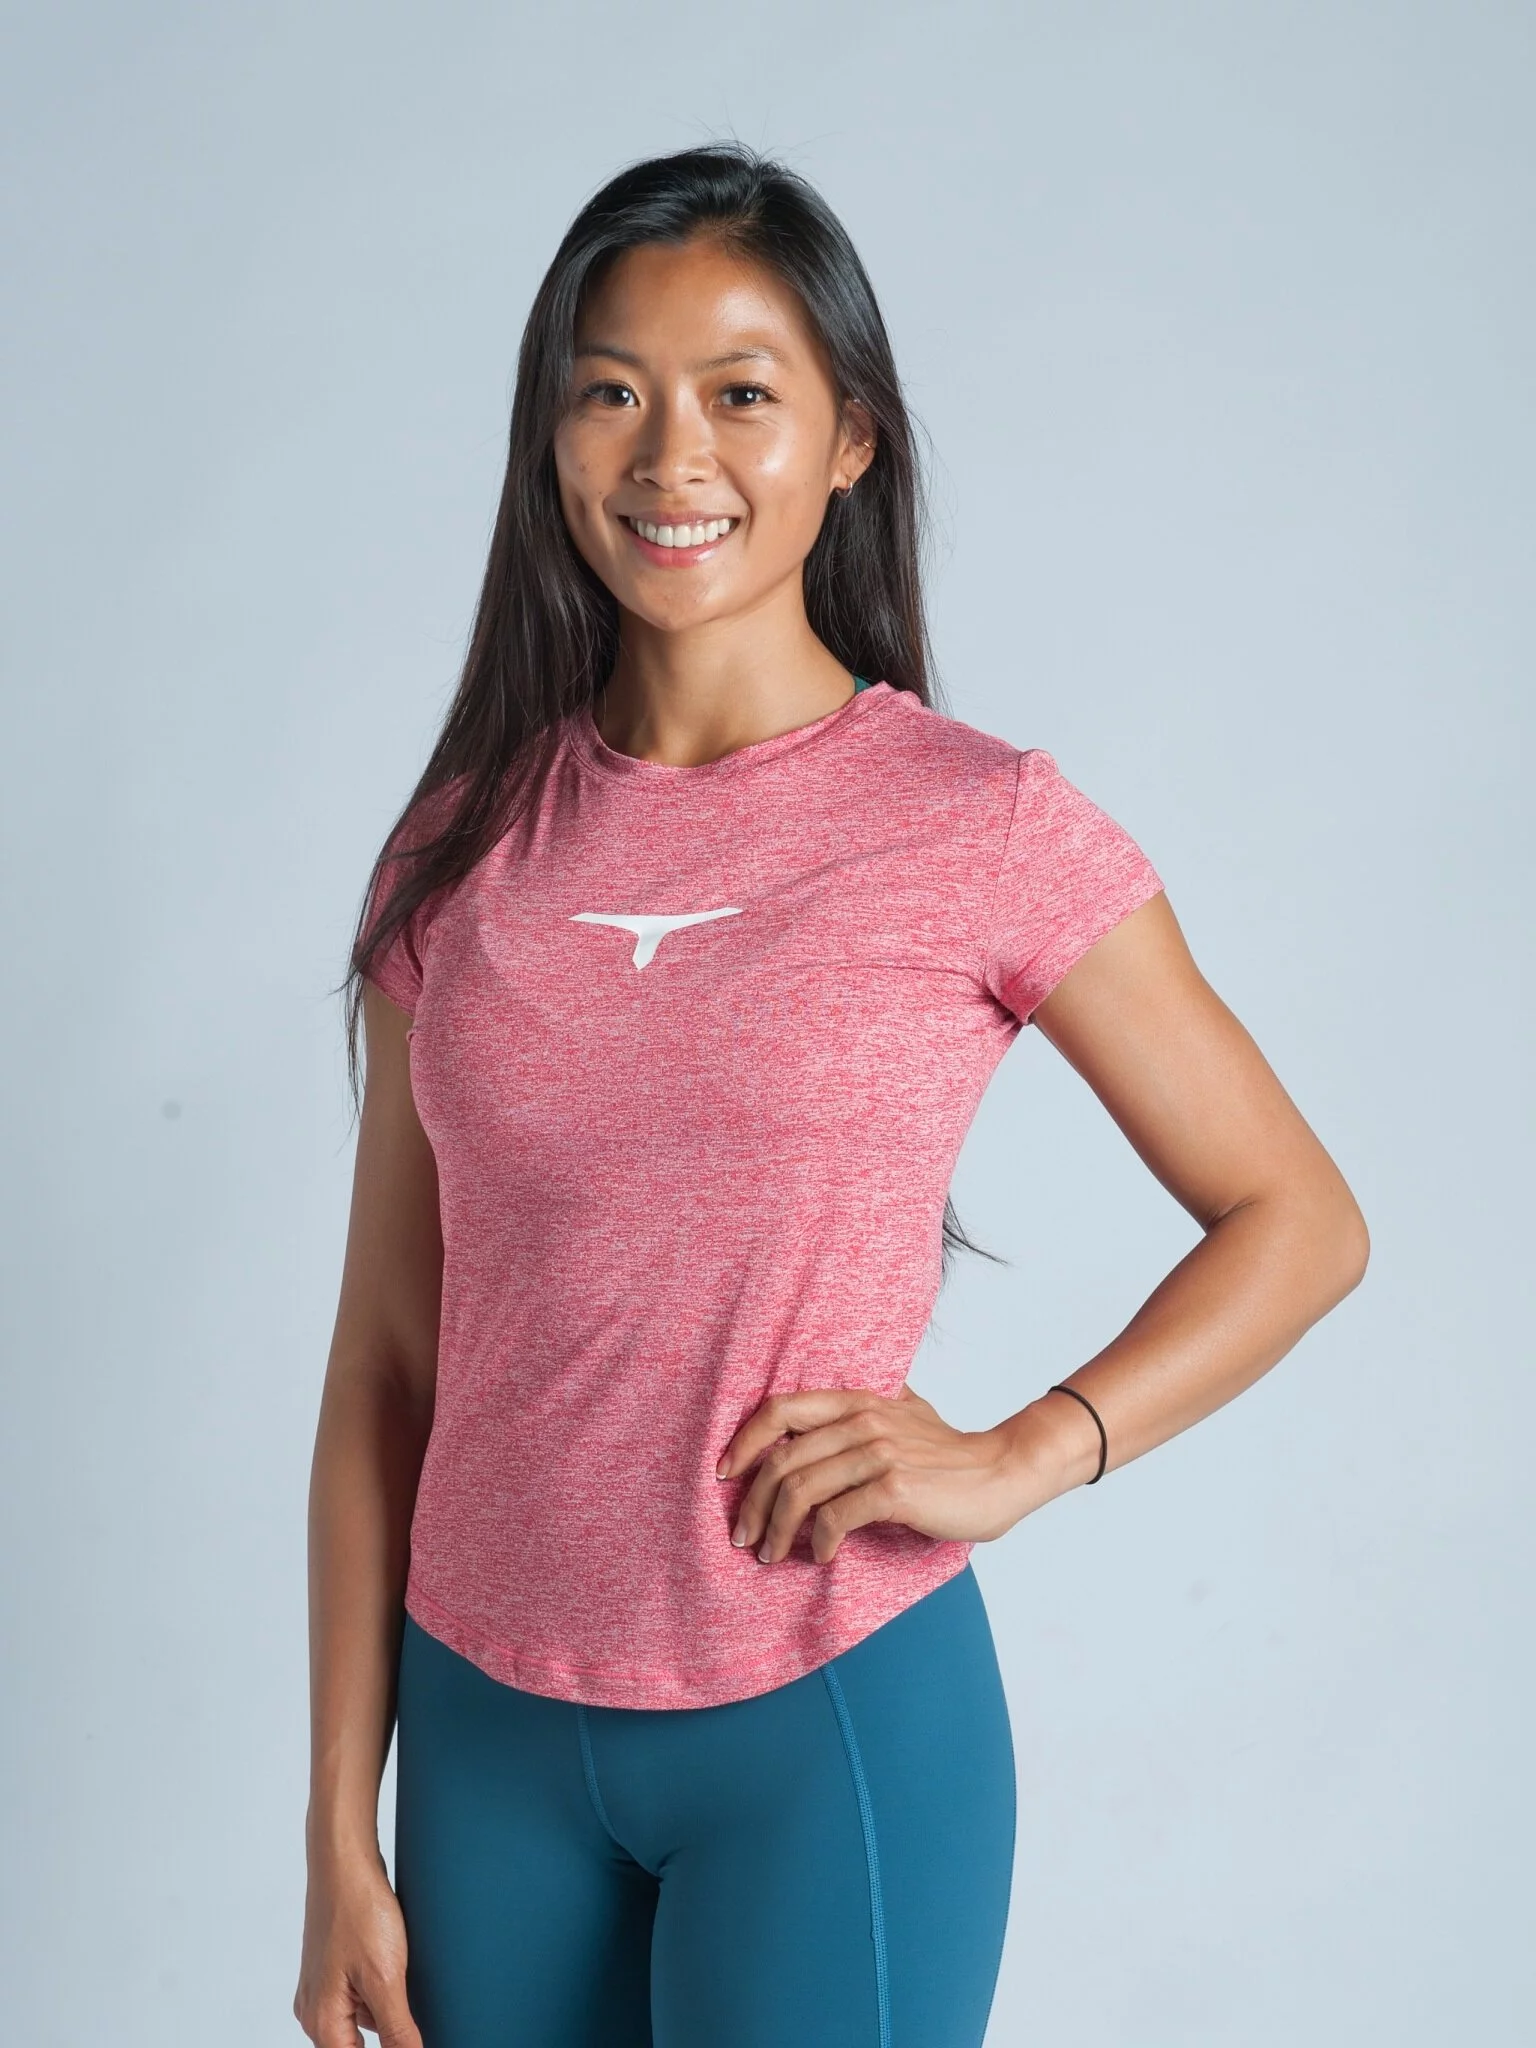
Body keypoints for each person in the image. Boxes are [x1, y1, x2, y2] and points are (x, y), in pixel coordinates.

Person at [293, 143, 1369, 2048]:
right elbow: (387, 1358)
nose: (670, 456)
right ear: (551, 436)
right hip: (481, 1740)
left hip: (826, 1730)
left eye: (741, 394)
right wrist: (333, 1825)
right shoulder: (458, 852)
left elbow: (1301, 1221)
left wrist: (1029, 1452)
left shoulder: (976, 823)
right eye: (611, 393)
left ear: (850, 438)